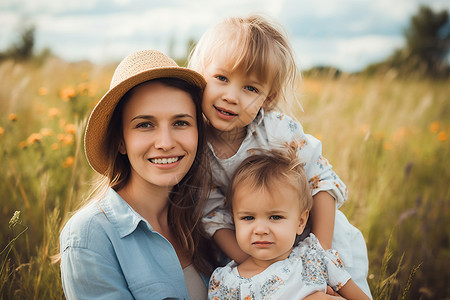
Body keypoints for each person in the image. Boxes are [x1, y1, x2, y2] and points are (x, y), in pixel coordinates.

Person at [188, 14, 372, 298]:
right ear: (201, 77)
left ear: (268, 98)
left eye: (250, 88)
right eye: (221, 78)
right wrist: (258, 266)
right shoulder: (197, 148)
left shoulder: (276, 130)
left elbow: (321, 182)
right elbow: (213, 215)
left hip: (318, 238)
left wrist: (318, 258)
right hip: (256, 247)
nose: (231, 96)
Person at [59, 49, 217, 299]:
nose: (165, 142)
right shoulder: (91, 236)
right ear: (121, 140)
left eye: (180, 123)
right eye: (145, 125)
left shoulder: (208, 215)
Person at [208, 146, 371, 299]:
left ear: (300, 222)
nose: (260, 229)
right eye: (248, 218)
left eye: (275, 217)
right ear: (235, 221)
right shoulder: (224, 283)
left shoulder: (315, 260)